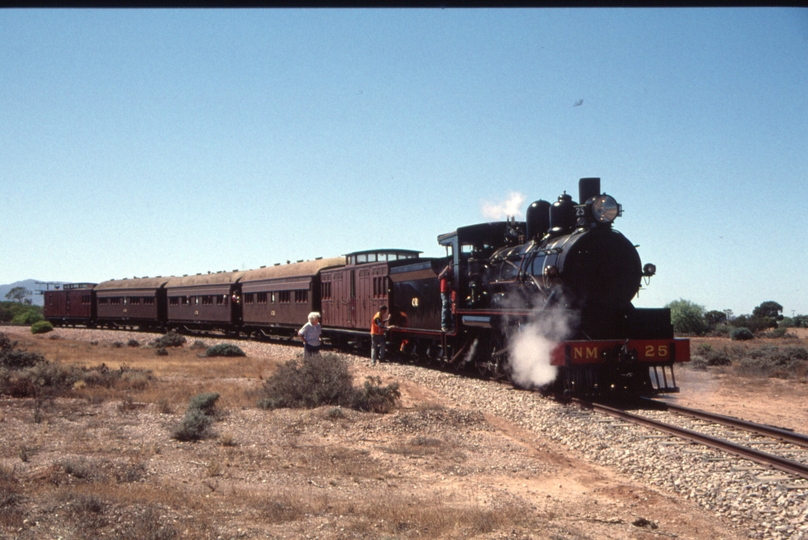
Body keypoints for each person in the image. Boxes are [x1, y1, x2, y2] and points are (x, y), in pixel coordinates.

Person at [438, 263, 454, 332]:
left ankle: (450, 324)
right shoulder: (444, 271)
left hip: (449, 291)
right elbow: (439, 276)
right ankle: (443, 325)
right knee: (445, 306)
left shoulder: (451, 273)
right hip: (443, 291)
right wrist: (446, 268)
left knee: (450, 307)